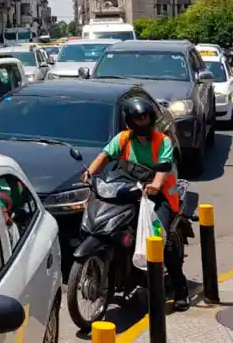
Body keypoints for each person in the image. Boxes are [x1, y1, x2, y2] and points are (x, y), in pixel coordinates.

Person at [81, 96, 189, 311]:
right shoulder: (122, 139)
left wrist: (156, 185)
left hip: (159, 196)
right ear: (130, 120)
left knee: (161, 241)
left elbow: (164, 167)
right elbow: (104, 156)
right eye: (138, 118)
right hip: (129, 190)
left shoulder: (163, 141)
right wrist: (88, 174)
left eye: (145, 117)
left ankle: (181, 290)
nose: (143, 121)